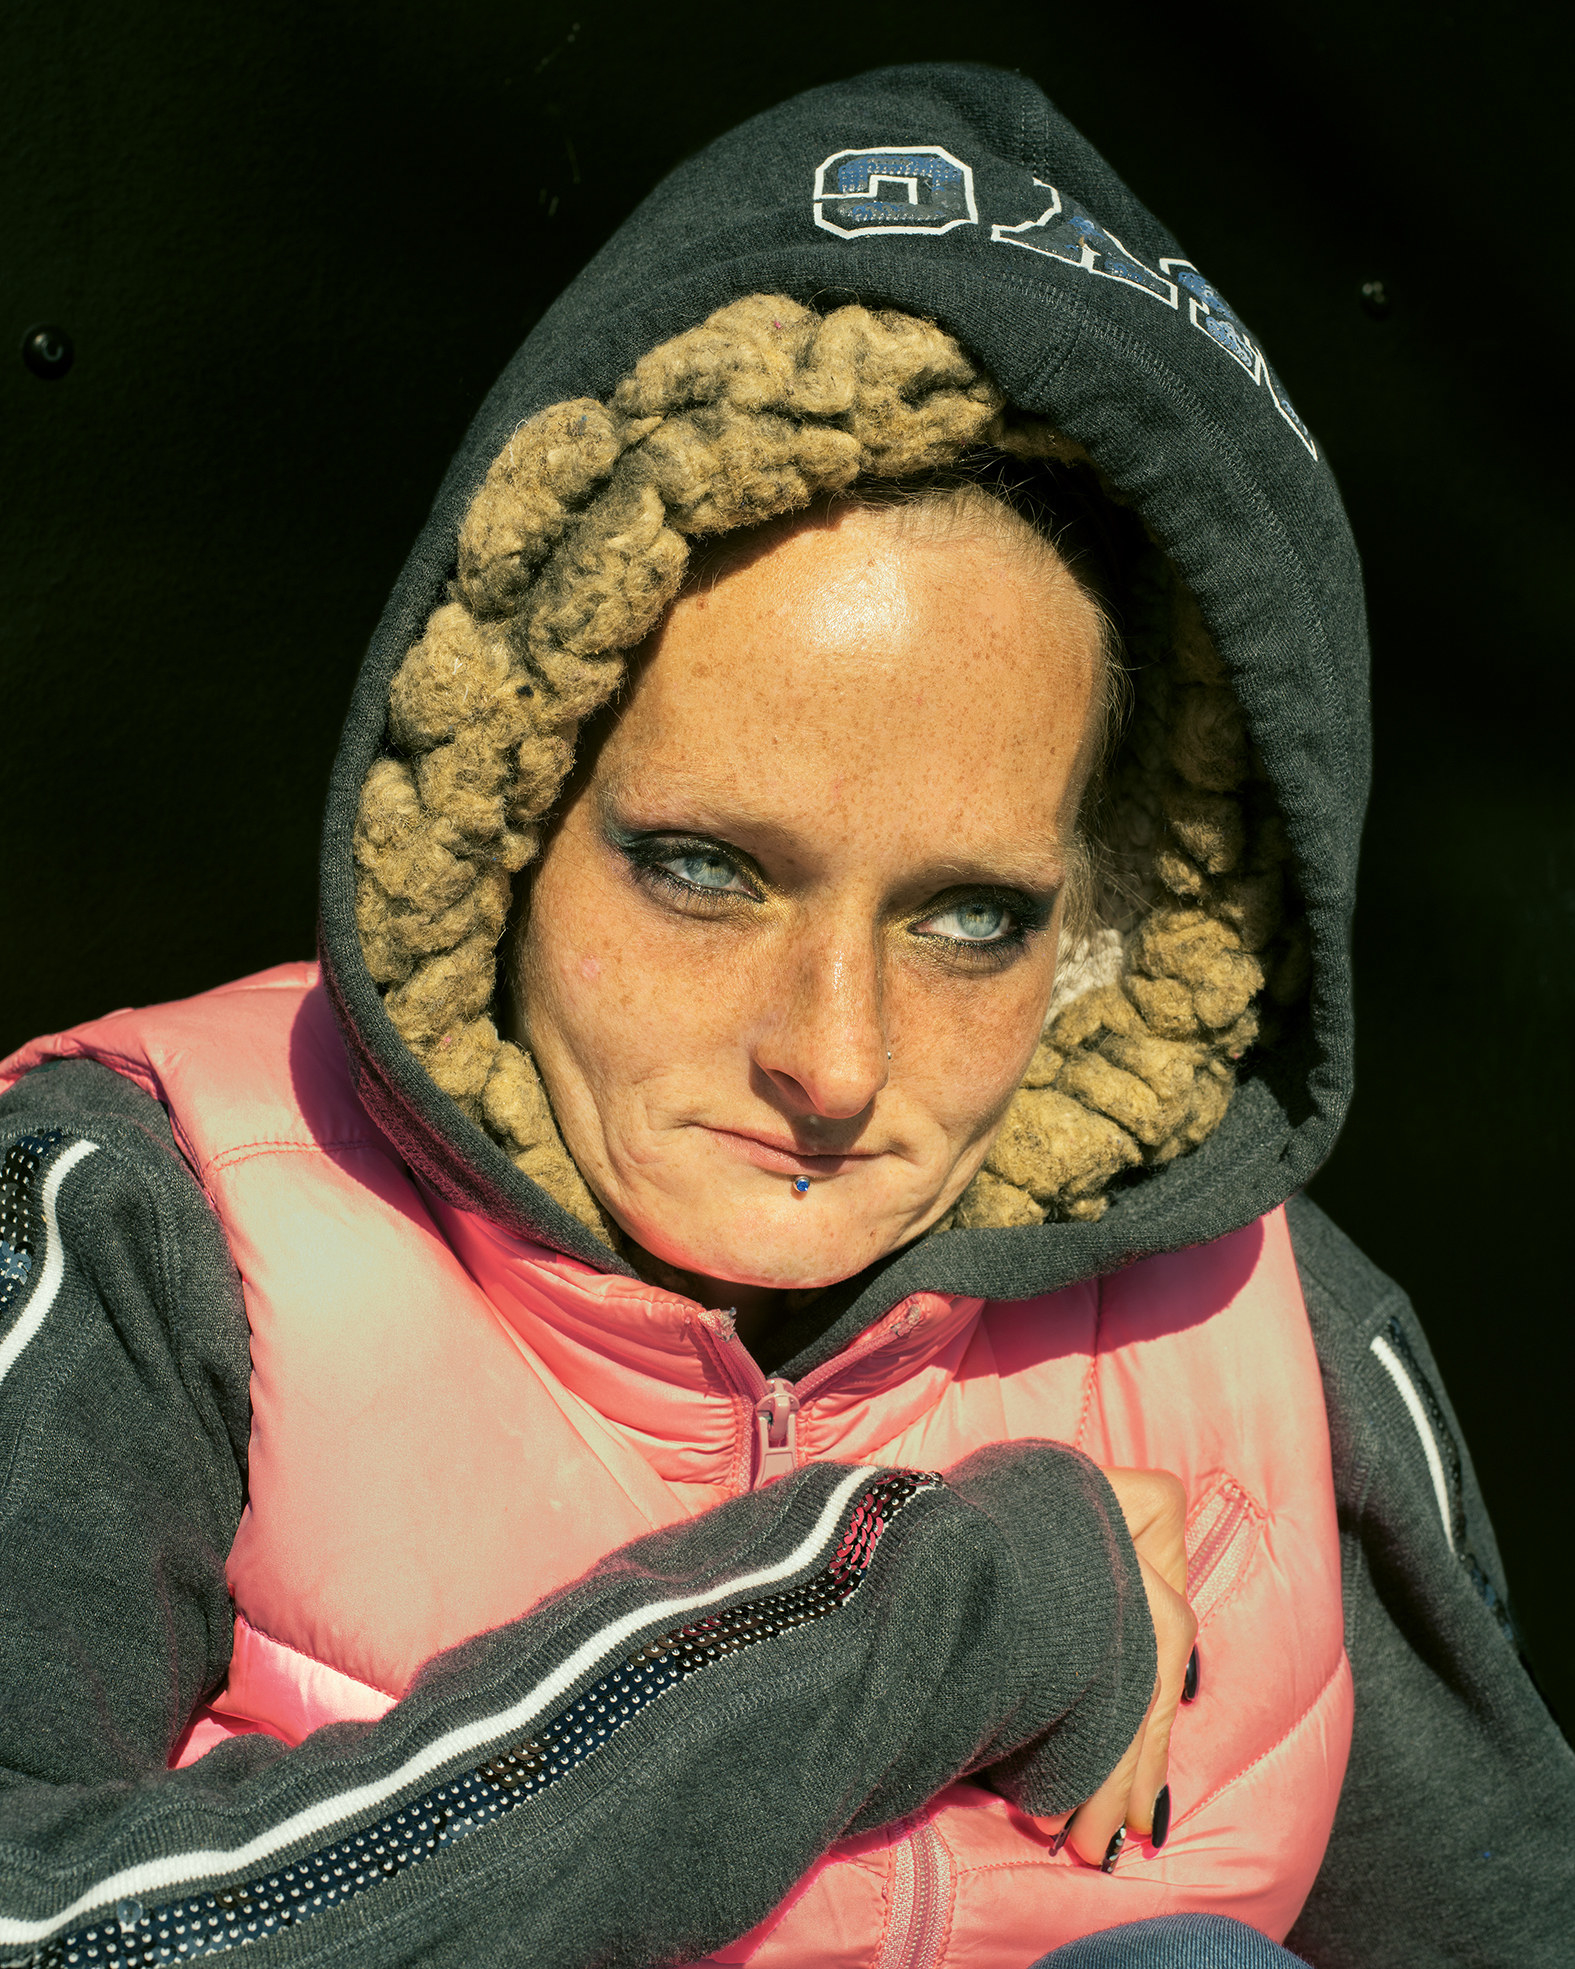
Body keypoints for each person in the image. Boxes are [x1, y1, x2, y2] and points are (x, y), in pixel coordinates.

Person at [0, 60, 1568, 1969]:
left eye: (973, 918)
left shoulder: (1259, 1325)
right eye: (705, 869)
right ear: (505, 804)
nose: (833, 1057)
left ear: (1114, 907)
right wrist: (894, 1618)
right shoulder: (155, 1225)